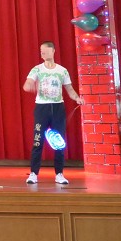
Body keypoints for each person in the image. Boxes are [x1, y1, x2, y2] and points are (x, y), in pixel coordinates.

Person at [23, 41, 84, 185]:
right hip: (42, 108)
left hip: (58, 109)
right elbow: (27, 83)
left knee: (59, 142)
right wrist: (29, 85)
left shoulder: (62, 71)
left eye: (45, 51)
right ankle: (33, 174)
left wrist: (77, 98)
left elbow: (69, 89)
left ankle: (59, 174)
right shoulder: (37, 69)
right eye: (41, 51)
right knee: (38, 141)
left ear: (53, 51)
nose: (42, 53)